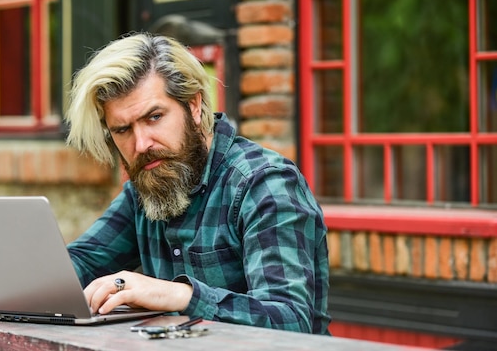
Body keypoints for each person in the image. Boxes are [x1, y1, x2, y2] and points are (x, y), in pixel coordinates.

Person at [65, 32, 331, 334]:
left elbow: (290, 321)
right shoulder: (146, 187)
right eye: (123, 130)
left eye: (154, 117)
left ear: (193, 105)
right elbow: (78, 264)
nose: (140, 144)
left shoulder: (264, 184)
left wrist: (176, 295)